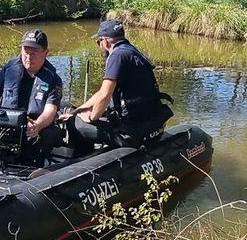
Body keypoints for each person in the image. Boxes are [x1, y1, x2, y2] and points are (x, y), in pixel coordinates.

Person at [65, 18, 174, 149]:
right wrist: (79, 110)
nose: (99, 45)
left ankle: (81, 161)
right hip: (150, 123)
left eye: (98, 41)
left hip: (131, 132)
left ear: (105, 41)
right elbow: (102, 93)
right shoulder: (130, 52)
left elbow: (105, 95)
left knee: (73, 124)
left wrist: (90, 117)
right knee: (79, 115)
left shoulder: (117, 57)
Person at [0, 28, 64, 163]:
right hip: (7, 121)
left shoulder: (54, 79)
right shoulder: (10, 69)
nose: (28, 56)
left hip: (33, 124)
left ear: (46, 53)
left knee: (44, 137)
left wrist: (37, 125)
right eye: (25, 51)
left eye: (34, 53)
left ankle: (34, 170)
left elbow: (51, 110)